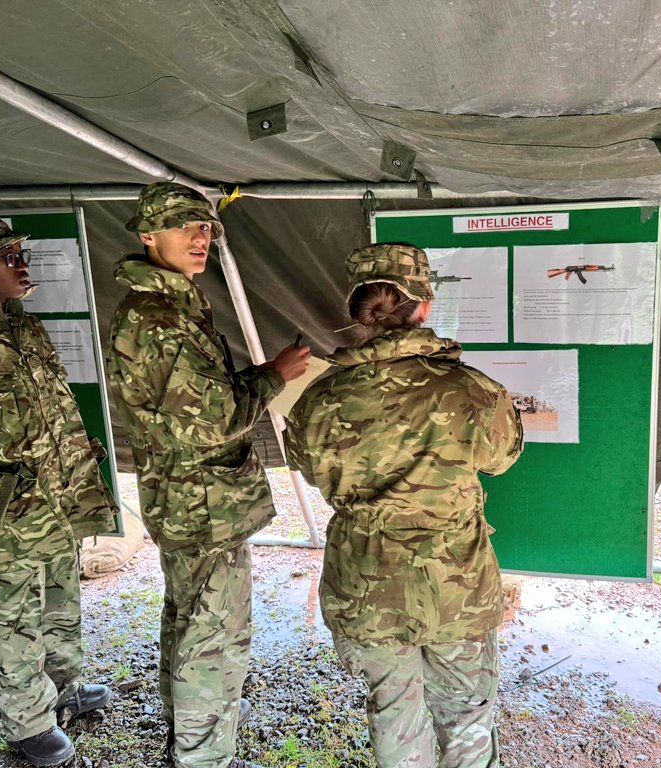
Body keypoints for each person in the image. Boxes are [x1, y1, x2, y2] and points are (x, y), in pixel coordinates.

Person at [285, 243, 524, 768]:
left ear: (359, 313)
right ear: (424, 306)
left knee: (393, 713)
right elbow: (503, 457)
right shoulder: (471, 390)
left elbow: (305, 464)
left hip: (365, 587)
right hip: (456, 587)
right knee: (466, 714)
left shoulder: (319, 399)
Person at [106, 182, 311, 768]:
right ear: (149, 235)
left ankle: (188, 738)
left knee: (189, 617)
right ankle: (202, 755)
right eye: (185, 226)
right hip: (202, 505)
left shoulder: (169, 305)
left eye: (207, 228)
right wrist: (273, 376)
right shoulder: (160, 318)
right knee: (212, 634)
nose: (201, 238)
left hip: (187, 497)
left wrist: (260, 375)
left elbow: (194, 402)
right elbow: (213, 420)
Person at [0, 211, 118, 766]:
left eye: (22, 253)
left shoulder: (22, 325)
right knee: (5, 617)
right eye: (7, 256)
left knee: (60, 601)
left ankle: (60, 691)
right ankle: (29, 723)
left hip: (54, 502)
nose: (22, 264)